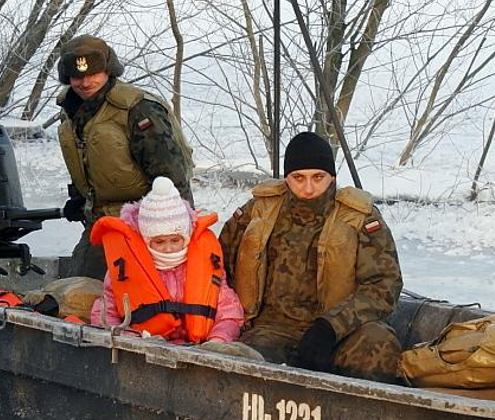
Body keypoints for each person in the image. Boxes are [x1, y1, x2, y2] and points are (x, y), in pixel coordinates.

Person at [218, 131, 403, 383]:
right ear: (287, 179)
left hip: (337, 331)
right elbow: (218, 265)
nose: (308, 188)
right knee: (235, 363)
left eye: (318, 177)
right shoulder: (259, 211)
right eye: (298, 178)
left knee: (378, 344)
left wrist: (331, 326)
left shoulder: (359, 218)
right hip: (270, 330)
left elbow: (384, 286)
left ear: (332, 177)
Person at [56, 35, 194, 279]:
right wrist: (78, 198)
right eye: (78, 76)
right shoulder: (70, 112)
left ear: (108, 70)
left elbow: (171, 175)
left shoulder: (137, 109)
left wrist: (176, 232)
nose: (86, 82)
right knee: (79, 294)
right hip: (101, 224)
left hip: (146, 227)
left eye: (94, 73)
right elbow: (88, 159)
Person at [90, 177, 244, 345]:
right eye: (160, 242)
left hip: (200, 349)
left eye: (175, 240)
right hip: (142, 349)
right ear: (146, 239)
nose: (169, 248)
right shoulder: (125, 266)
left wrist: (218, 339)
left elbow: (229, 312)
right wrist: (130, 342)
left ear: (185, 236)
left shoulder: (206, 263)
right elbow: (106, 313)